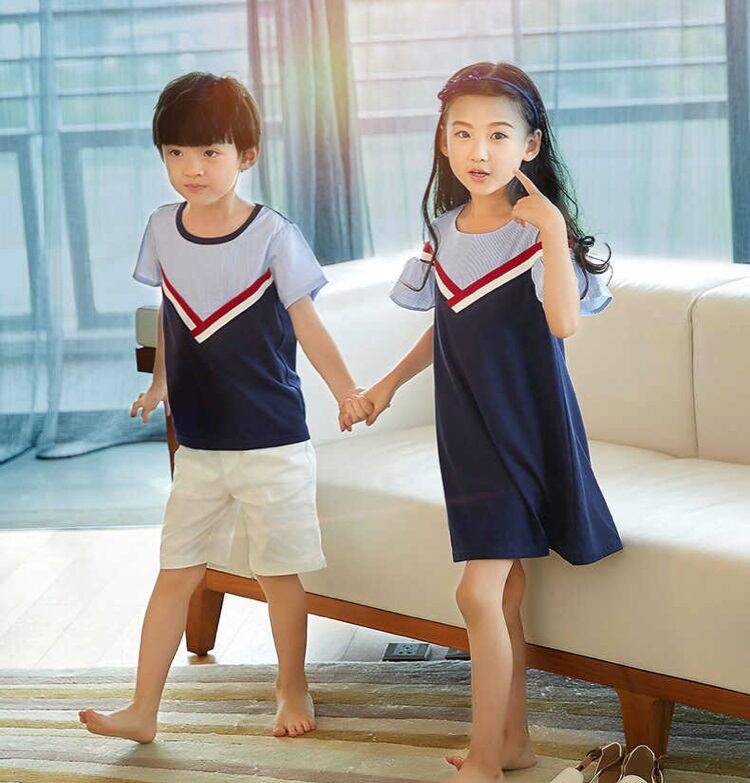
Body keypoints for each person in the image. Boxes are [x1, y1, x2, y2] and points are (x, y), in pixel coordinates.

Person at [343, 61, 623, 783]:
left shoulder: (538, 233)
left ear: (530, 146)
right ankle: (515, 743)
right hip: (465, 430)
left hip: (522, 428)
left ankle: (485, 763)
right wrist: (383, 387)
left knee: (475, 593)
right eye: (462, 133)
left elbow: (563, 322)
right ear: (443, 141)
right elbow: (446, 325)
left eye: (499, 134)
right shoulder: (444, 232)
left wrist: (553, 230)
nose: (479, 150)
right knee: (505, 592)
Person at [78, 71, 371, 744]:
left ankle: (292, 683)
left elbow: (308, 325)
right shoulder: (162, 228)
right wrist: (159, 385)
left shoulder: (273, 235)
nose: (193, 168)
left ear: (247, 155)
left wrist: (346, 390)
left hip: (272, 441)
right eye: (176, 153)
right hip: (200, 446)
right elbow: (171, 313)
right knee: (174, 572)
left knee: (278, 574)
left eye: (210, 152)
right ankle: (142, 709)